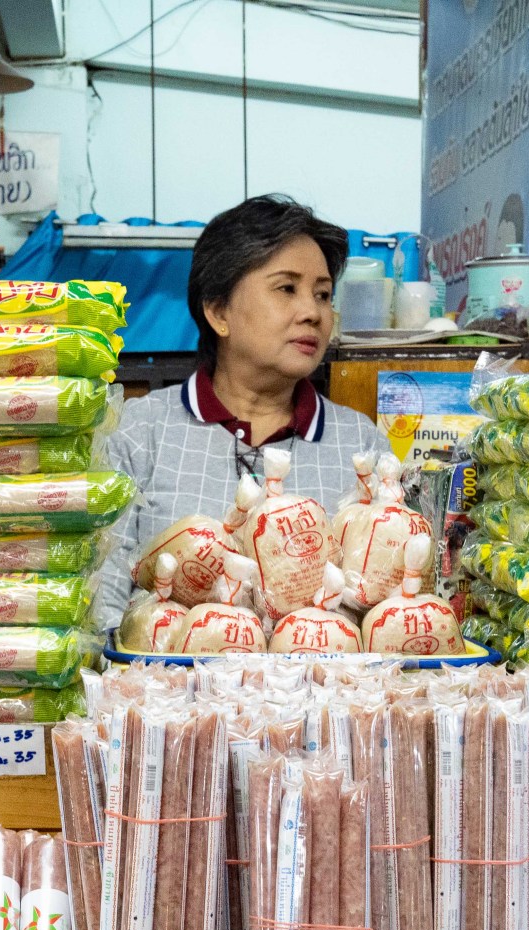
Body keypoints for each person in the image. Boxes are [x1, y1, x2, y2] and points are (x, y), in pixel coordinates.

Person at [97, 195, 386, 626]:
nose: (313, 313)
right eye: (286, 288)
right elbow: (103, 599)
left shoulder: (361, 446)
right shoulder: (140, 433)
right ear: (218, 311)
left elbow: (385, 600)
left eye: (323, 294)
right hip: (163, 671)